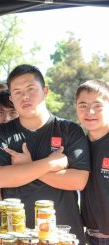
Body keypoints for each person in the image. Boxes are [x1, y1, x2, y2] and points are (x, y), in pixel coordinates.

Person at [0, 64, 90, 243]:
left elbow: (78, 180)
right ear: (11, 98)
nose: (25, 96)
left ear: (45, 91)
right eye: (17, 92)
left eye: (31, 89)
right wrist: (50, 164)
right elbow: (2, 179)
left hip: (64, 235)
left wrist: (27, 166)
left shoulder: (69, 130)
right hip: (17, 236)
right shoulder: (0, 134)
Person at [76, 80, 109, 244]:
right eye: (83, 105)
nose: (90, 111)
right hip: (92, 236)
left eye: (98, 106)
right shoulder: (77, 144)